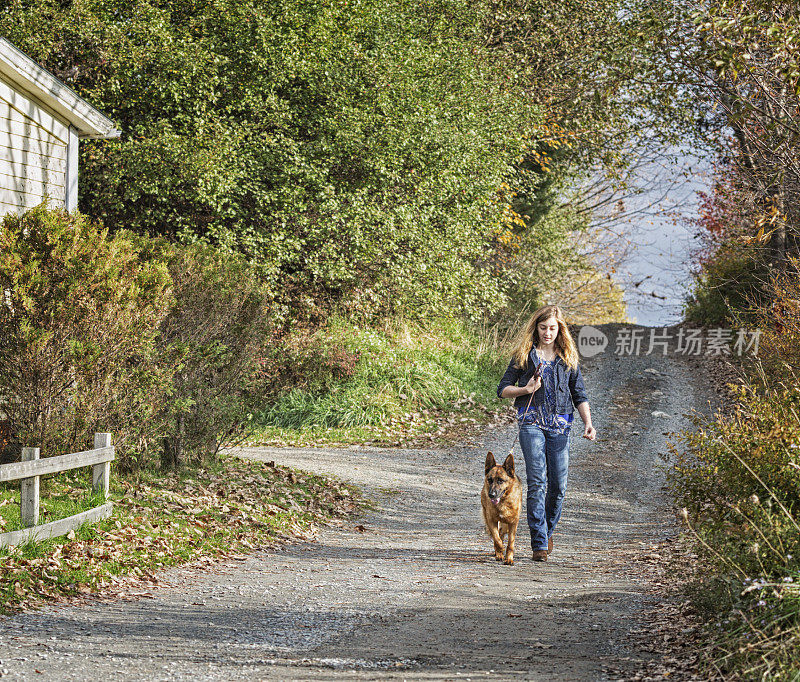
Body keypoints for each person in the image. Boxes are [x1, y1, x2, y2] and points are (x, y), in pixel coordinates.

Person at [496, 305, 596, 562]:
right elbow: (503, 389)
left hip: (561, 425)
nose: (547, 333)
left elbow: (580, 395)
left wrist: (588, 423)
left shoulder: (568, 357)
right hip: (530, 423)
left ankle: (546, 530)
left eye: (552, 328)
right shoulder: (524, 355)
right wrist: (525, 389)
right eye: (543, 328)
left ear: (560, 329)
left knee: (558, 486)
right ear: (536, 328)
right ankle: (539, 543)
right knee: (538, 481)